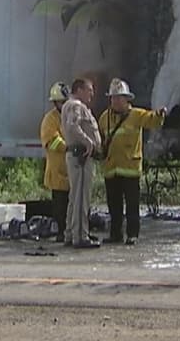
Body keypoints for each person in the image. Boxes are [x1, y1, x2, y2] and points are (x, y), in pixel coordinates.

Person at [98, 78, 167, 246]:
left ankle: (132, 234)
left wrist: (160, 114)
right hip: (111, 168)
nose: (115, 101)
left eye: (119, 97)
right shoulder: (105, 117)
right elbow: (100, 137)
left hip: (130, 168)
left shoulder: (136, 115)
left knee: (132, 205)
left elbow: (152, 120)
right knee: (114, 206)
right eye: (113, 97)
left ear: (127, 99)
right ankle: (115, 234)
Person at [60, 78, 102, 249]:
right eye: (89, 90)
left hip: (77, 155)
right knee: (80, 199)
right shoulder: (76, 105)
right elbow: (72, 125)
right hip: (81, 157)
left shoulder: (71, 105)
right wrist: (88, 142)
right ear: (79, 89)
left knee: (74, 197)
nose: (92, 93)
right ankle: (80, 236)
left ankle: (70, 233)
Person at [39, 81, 71, 242]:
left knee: (73, 204)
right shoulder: (50, 119)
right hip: (58, 171)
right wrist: (69, 147)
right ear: (55, 102)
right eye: (60, 102)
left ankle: (70, 231)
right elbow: (51, 140)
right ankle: (61, 232)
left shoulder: (72, 115)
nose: (63, 104)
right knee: (60, 205)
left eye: (65, 101)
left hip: (72, 169)